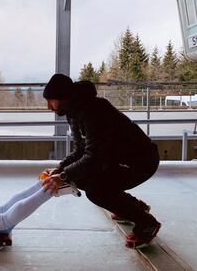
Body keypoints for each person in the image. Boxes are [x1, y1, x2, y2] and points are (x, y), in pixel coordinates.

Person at [41, 73, 161, 249]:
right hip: (118, 160)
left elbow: (95, 158)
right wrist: (60, 168)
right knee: (80, 178)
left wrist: (64, 176)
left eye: (51, 100)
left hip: (141, 162)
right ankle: (131, 206)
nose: (48, 107)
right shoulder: (73, 113)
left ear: (64, 97)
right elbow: (82, 150)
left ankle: (147, 223)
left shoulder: (95, 111)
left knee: (96, 191)